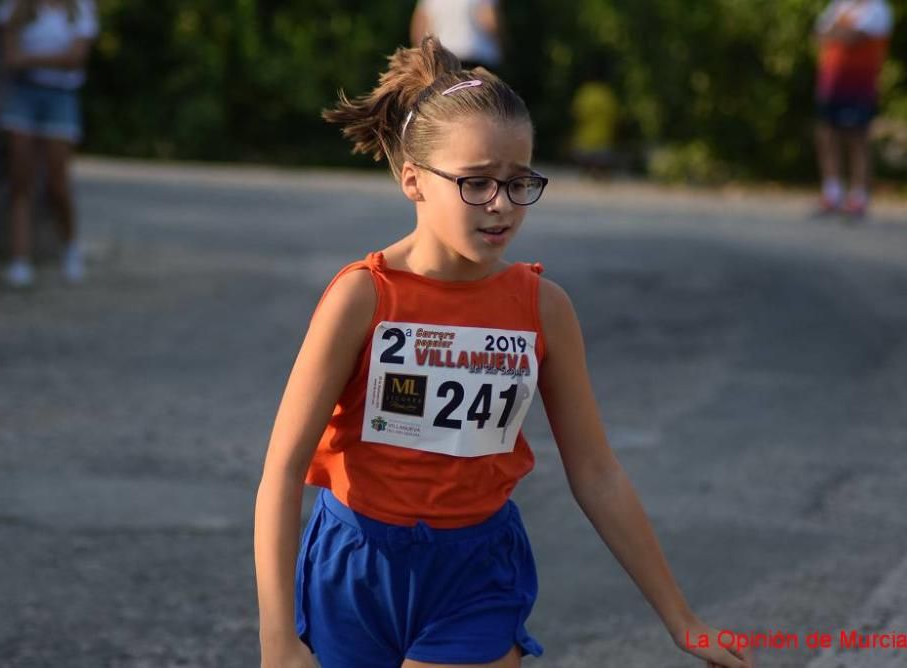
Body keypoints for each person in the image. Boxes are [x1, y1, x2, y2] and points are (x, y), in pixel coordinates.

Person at [254, 37, 753, 668]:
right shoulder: (362, 297)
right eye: (475, 183)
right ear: (413, 180)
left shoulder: (543, 307)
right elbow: (281, 471)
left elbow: (597, 473)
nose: (500, 205)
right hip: (352, 570)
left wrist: (683, 620)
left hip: (476, 575)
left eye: (519, 182)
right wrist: (277, 638)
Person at [0, 0, 98, 287]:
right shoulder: (17, 6)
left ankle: (71, 247)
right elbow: (9, 54)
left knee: (57, 182)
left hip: (61, 97)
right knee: (20, 180)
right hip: (22, 96)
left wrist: (29, 60)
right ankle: (20, 260)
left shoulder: (80, 7)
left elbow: (75, 58)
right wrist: (53, 59)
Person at [812, 0, 892, 219]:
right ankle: (832, 193)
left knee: (858, 139)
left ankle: (858, 197)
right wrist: (840, 31)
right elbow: (819, 35)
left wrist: (835, 31)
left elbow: (852, 38)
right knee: (827, 136)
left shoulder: (878, 9)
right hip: (831, 85)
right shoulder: (839, 5)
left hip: (861, 87)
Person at [410, 0, 503, 71]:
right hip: (476, 54)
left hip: (442, 56)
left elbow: (420, 27)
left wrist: (422, 56)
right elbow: (489, 21)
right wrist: (503, 43)